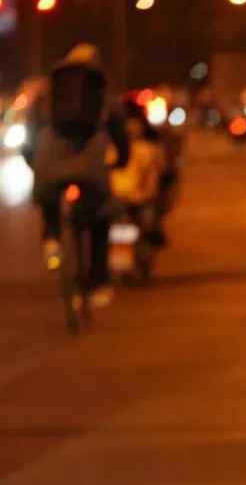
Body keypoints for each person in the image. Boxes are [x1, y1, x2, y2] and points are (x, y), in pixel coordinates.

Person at [26, 44, 129, 307]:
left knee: (49, 195)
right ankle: (98, 285)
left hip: (51, 155)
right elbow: (117, 127)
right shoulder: (101, 88)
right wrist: (121, 159)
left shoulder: (49, 88)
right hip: (90, 160)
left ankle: (51, 240)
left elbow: (32, 130)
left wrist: (34, 163)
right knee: (100, 220)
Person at [110, 99, 166, 240]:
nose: (132, 127)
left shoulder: (148, 149)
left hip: (139, 200)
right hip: (121, 200)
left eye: (135, 124)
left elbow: (157, 173)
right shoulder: (112, 148)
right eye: (129, 123)